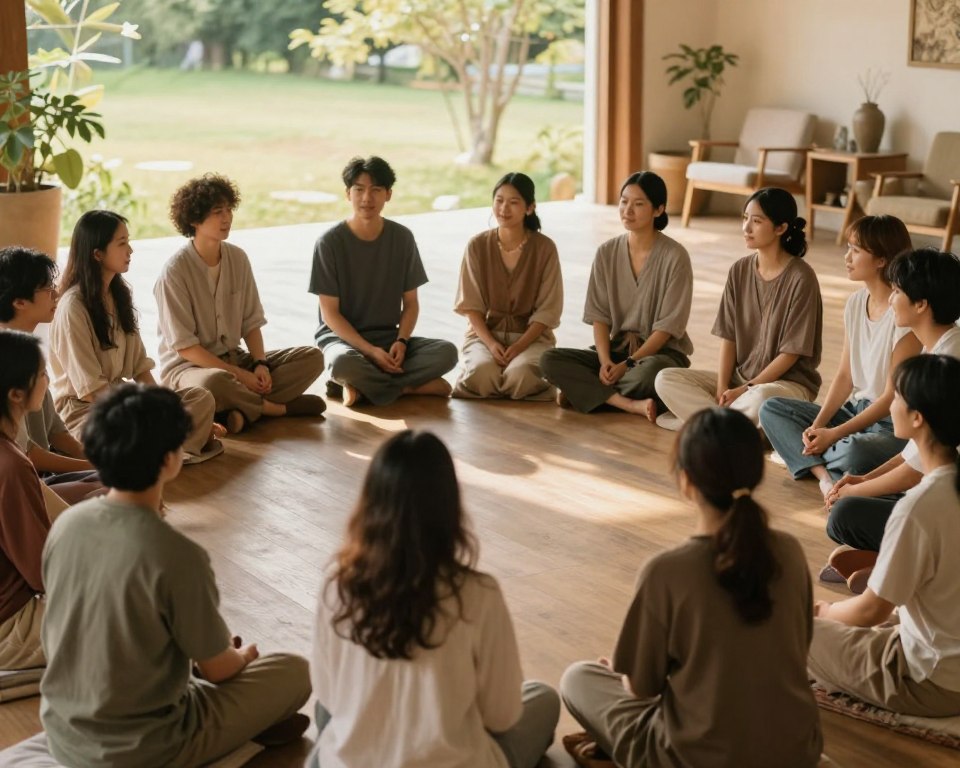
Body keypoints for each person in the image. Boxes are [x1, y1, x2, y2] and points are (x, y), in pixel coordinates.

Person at [40, 384, 312, 767]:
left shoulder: (67, 523)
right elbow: (219, 671)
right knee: (294, 671)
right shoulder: (177, 554)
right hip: (144, 747)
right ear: (170, 460)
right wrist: (240, 656)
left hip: (63, 731)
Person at [560, 408, 822, 768]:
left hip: (695, 757)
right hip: (796, 752)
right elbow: (799, 648)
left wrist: (625, 675)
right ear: (756, 473)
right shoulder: (790, 552)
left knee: (578, 678)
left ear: (686, 481)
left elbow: (642, 689)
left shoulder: (667, 571)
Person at [308, 430, 560, 768]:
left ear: (370, 502)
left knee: (327, 715)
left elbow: (329, 697)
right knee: (542, 699)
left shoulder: (338, 585)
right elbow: (502, 717)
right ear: (449, 506)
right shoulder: (478, 593)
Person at [809, 354, 960, 717]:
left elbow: (871, 611)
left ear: (917, 418)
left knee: (788, 629)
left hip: (934, 681)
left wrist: (824, 611)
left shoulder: (920, 506)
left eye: (897, 397)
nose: (890, 403)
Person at [821, 247, 960, 583]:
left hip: (948, 502)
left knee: (845, 513)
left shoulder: (947, 359)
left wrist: (854, 493)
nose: (892, 298)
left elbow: (916, 471)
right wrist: (864, 481)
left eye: (897, 291)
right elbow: (914, 454)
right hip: (934, 487)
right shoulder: (936, 346)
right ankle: (891, 558)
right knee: (854, 496)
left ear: (921, 304)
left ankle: (904, 564)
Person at [760, 216, 920, 497]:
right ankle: (825, 476)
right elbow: (845, 376)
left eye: (856, 250)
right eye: (849, 247)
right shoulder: (856, 302)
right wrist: (818, 425)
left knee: (856, 451)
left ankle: (807, 460)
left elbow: (889, 399)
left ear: (882, 259)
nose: (847, 257)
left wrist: (833, 434)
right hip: (854, 410)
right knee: (771, 409)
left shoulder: (903, 315)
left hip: (889, 424)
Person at [49, 210, 224, 464]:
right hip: (87, 412)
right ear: (97, 254)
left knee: (200, 398)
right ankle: (181, 445)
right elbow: (91, 393)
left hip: (123, 400)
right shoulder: (73, 308)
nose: (130, 250)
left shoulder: (119, 296)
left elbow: (141, 370)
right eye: (121, 244)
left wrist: (165, 409)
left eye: (128, 241)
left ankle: (168, 448)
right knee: (128, 431)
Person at [155, 173, 325, 433]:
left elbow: (251, 321)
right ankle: (275, 409)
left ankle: (235, 412)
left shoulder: (238, 258)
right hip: (190, 370)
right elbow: (186, 348)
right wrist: (238, 375)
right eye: (217, 211)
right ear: (194, 220)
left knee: (313, 358)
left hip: (236, 359)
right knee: (215, 383)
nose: (226, 218)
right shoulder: (175, 273)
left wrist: (259, 364)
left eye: (228, 209)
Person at [655, 187, 823, 428]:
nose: (746, 228)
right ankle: (733, 428)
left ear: (781, 228)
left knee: (761, 398)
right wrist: (724, 386)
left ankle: (706, 424)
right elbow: (729, 337)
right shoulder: (739, 270)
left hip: (785, 385)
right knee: (666, 379)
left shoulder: (801, 277)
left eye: (756, 221)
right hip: (738, 382)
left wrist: (746, 389)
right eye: (745, 218)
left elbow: (791, 353)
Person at [540, 171, 693, 419]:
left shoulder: (675, 257)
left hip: (658, 357)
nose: (627, 210)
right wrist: (604, 361)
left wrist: (628, 365)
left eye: (639, 204)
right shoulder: (606, 252)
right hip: (615, 352)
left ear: (658, 209)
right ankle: (629, 404)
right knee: (549, 360)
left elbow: (666, 328)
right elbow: (600, 316)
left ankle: (585, 393)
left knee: (651, 374)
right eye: (624, 201)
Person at [308, 156, 458, 407]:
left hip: (389, 340)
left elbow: (411, 304)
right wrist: (369, 351)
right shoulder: (329, 242)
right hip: (343, 342)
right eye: (359, 189)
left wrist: (402, 341)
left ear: (388, 194)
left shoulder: (402, 238)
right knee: (341, 362)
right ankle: (407, 387)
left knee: (448, 352)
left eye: (376, 190)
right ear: (348, 194)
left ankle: (359, 387)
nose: (367, 198)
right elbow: (330, 314)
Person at [0, 246, 105, 503]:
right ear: (19, 302)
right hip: (20, 483)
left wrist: (97, 462)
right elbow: (27, 455)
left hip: (39, 473)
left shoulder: (28, 348)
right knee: (115, 490)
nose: (56, 294)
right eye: (48, 290)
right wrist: (95, 469)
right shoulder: (10, 358)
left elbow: (56, 432)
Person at [453, 172, 562, 400]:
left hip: (531, 339)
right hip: (484, 336)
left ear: (530, 208)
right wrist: (492, 345)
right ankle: (493, 378)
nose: (504, 208)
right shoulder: (477, 246)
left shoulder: (545, 248)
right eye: (499, 200)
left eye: (514, 202)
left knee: (520, 376)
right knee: (482, 374)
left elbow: (548, 310)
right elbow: (471, 305)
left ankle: (508, 380)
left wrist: (519, 346)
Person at [0, 331, 52, 671]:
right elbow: (41, 574)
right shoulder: (12, 465)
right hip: (10, 625)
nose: (49, 380)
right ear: (16, 394)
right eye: (42, 374)